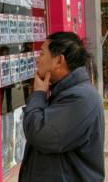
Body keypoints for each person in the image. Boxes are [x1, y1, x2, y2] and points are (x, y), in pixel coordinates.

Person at [19, 32, 104, 181]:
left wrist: (38, 94)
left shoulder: (81, 98)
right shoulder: (63, 92)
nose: (37, 59)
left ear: (59, 60)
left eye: (42, 53)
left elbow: (40, 134)